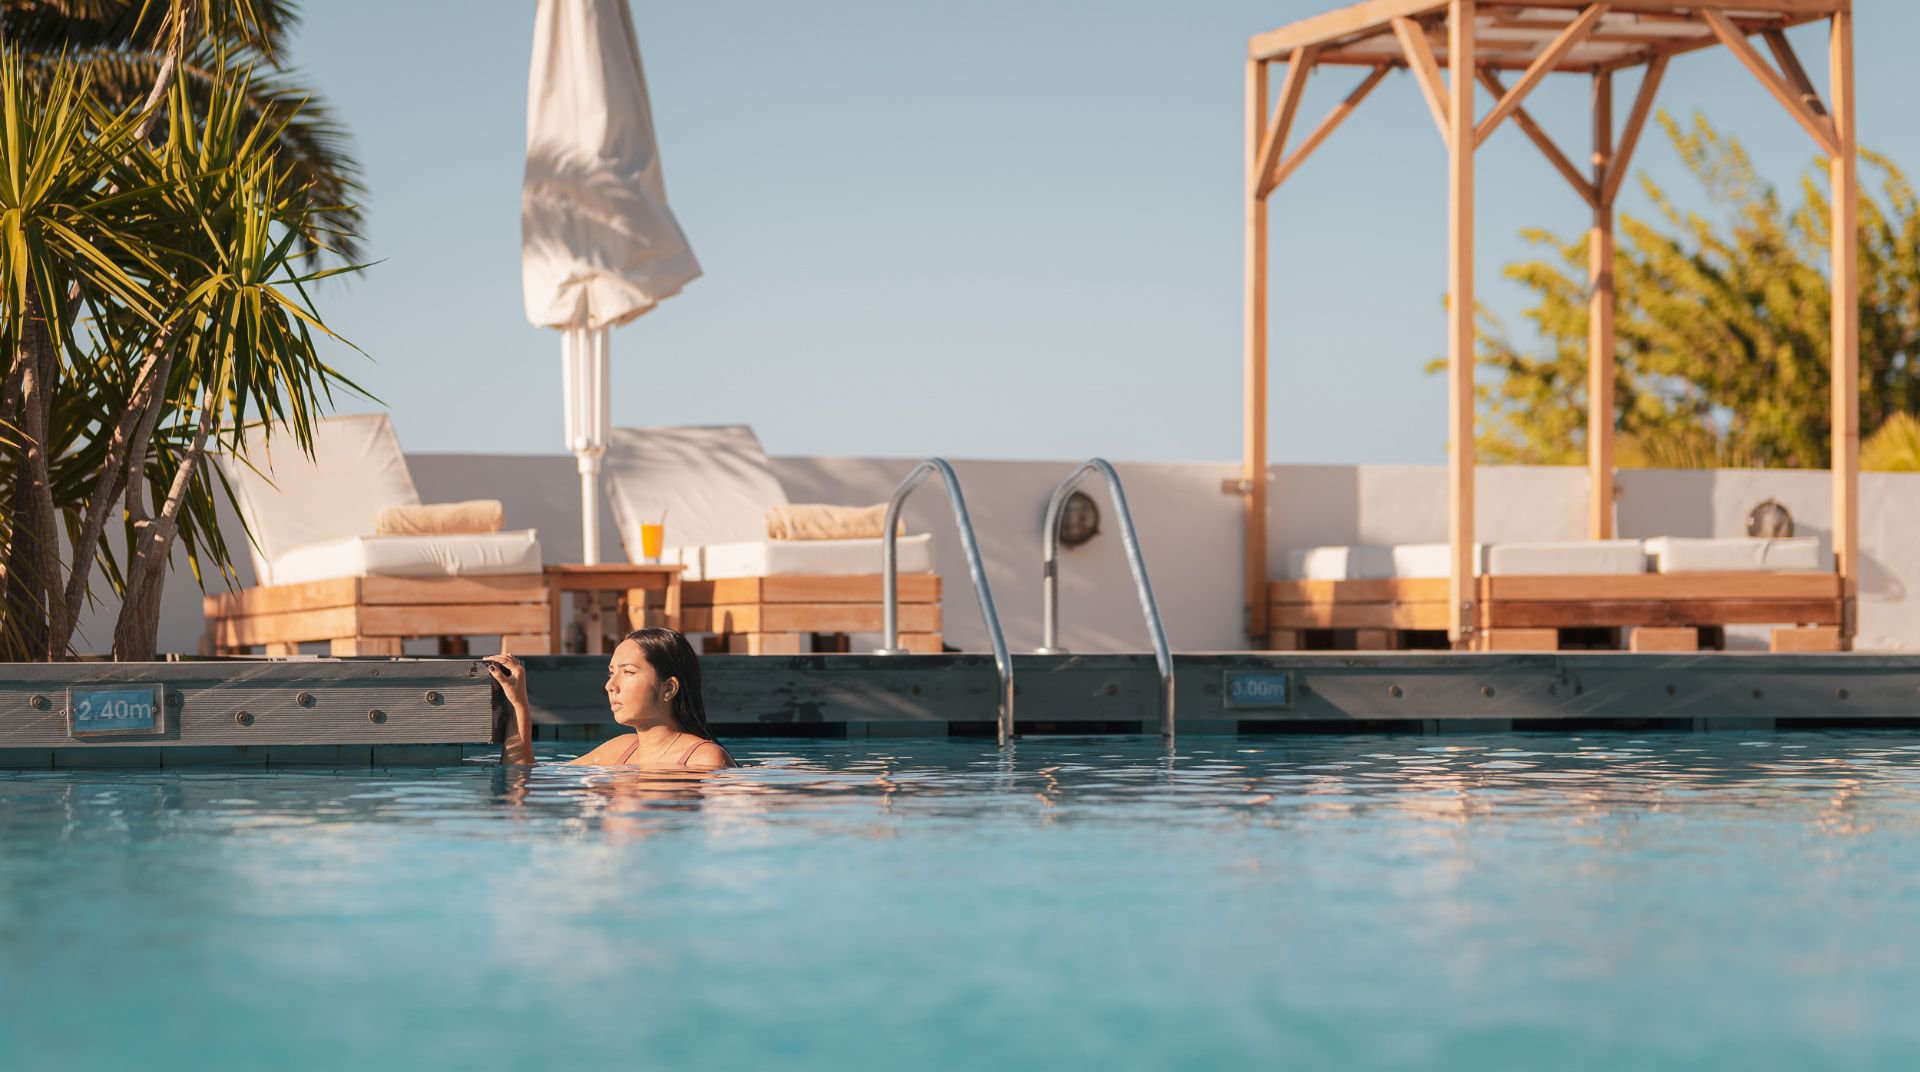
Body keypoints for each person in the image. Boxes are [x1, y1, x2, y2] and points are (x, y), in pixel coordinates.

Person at [484, 627, 736, 770]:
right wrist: (518, 701)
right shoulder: (620, 750)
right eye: (611, 673)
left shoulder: (705, 760)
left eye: (628, 672)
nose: (610, 686)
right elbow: (523, 773)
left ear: (669, 688)